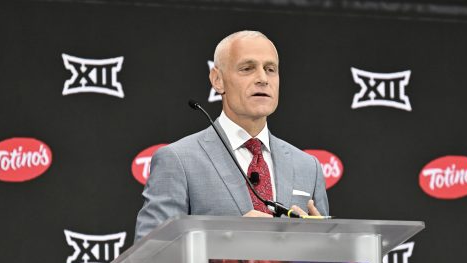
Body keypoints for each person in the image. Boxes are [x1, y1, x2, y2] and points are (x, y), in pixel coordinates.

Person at [134, 30, 329, 241]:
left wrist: (322, 243)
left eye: (270, 69)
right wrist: (229, 240)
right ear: (218, 80)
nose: (263, 79)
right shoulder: (178, 160)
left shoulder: (308, 167)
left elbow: (331, 261)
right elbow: (151, 255)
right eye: (247, 68)